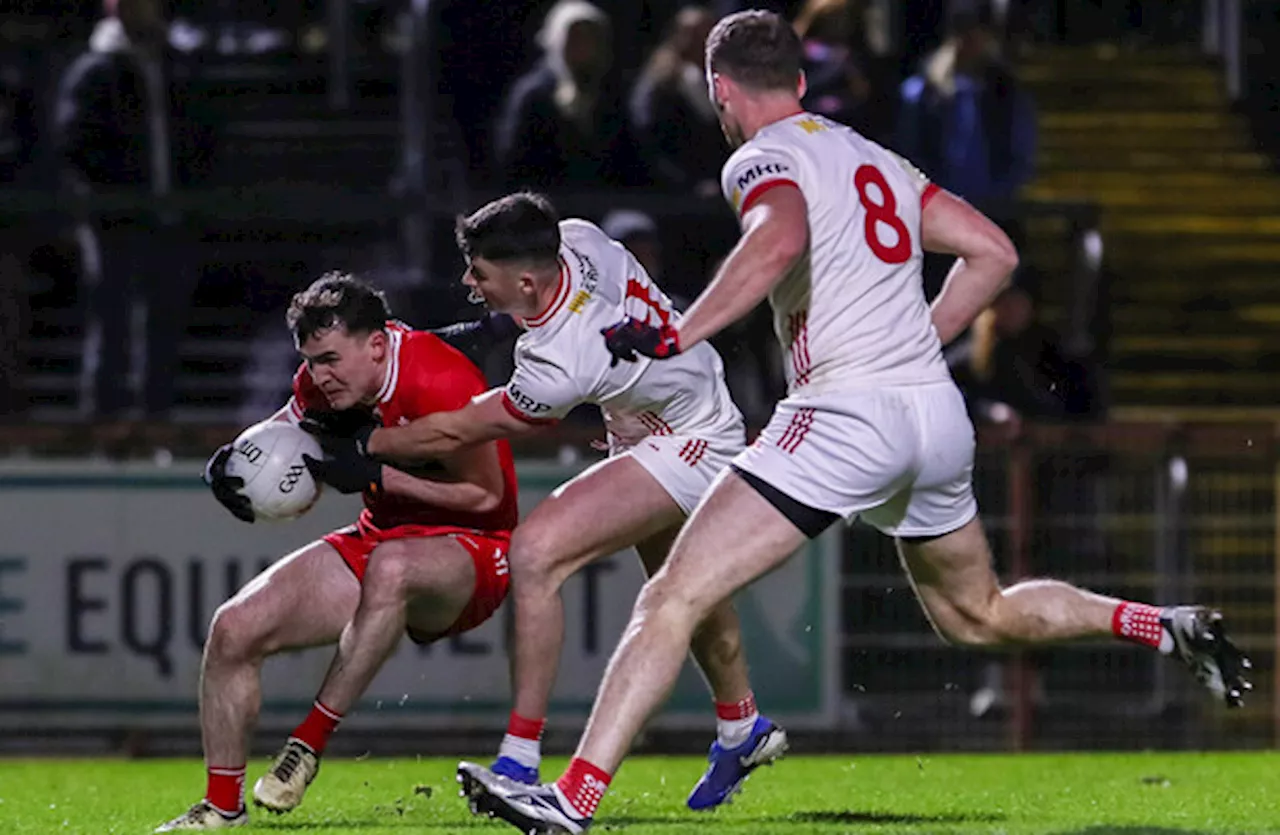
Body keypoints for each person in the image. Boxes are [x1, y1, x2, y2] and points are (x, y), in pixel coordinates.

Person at [462, 11, 1253, 833]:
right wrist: (925, 337)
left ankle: (572, 798)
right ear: (802, 83)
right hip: (934, 415)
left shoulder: (759, 157)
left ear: (718, 90)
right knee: (978, 611)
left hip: (844, 411)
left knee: (672, 595)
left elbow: (778, 238)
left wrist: (681, 330)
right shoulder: (876, 157)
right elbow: (994, 251)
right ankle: (1159, 623)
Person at [306, 192, 787, 811]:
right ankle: (741, 727)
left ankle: (521, 760)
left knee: (536, 554)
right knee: (686, 592)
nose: (467, 280)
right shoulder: (579, 237)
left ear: (528, 279)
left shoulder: (557, 365)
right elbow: (552, 299)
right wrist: (490, 321)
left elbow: (458, 429)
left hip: (687, 439)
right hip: (673, 412)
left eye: (478, 272)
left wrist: (370, 443)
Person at [155, 274, 519, 831]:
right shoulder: (322, 379)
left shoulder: (439, 378)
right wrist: (235, 461)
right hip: (381, 537)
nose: (319, 376)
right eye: (310, 362)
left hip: (474, 552)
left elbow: (486, 498)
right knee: (232, 629)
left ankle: (308, 744)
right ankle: (222, 808)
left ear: (377, 344)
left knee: (392, 567)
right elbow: (290, 428)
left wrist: (380, 476)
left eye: (329, 360)